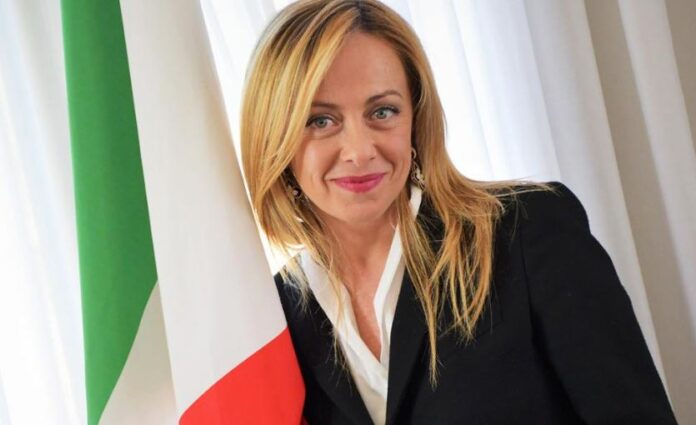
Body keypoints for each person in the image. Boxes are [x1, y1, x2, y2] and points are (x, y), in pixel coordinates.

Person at [239, 1, 678, 424]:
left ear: (416, 119)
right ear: (275, 138)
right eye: (320, 121)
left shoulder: (525, 231)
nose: (359, 150)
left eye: (383, 111)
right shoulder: (273, 317)